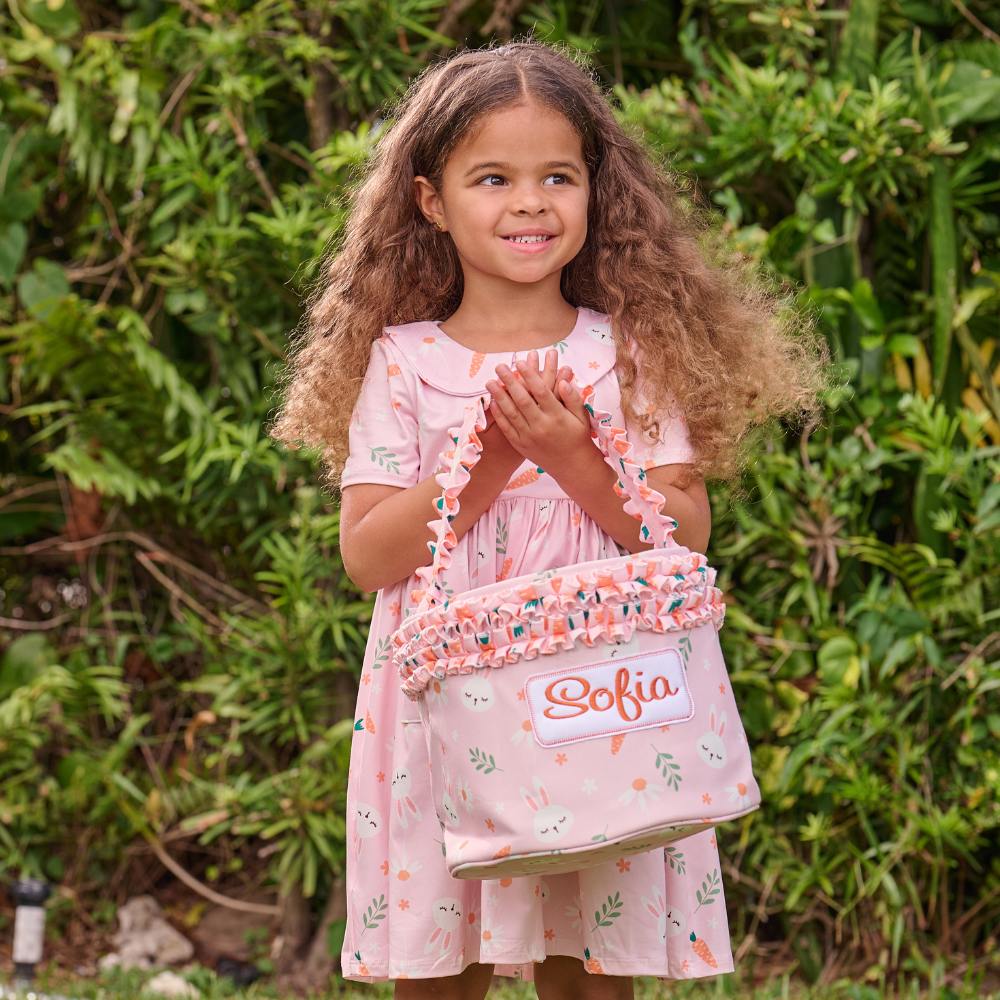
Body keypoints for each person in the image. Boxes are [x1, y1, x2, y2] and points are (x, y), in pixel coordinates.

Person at [273, 41, 821, 1000]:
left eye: (556, 175)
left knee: (591, 955)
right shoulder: (404, 364)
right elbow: (367, 556)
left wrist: (574, 457)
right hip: (452, 714)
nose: (529, 201)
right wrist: (478, 470)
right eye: (493, 176)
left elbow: (682, 535)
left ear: (594, 193)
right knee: (448, 959)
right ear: (431, 200)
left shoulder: (630, 352)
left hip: (599, 703)